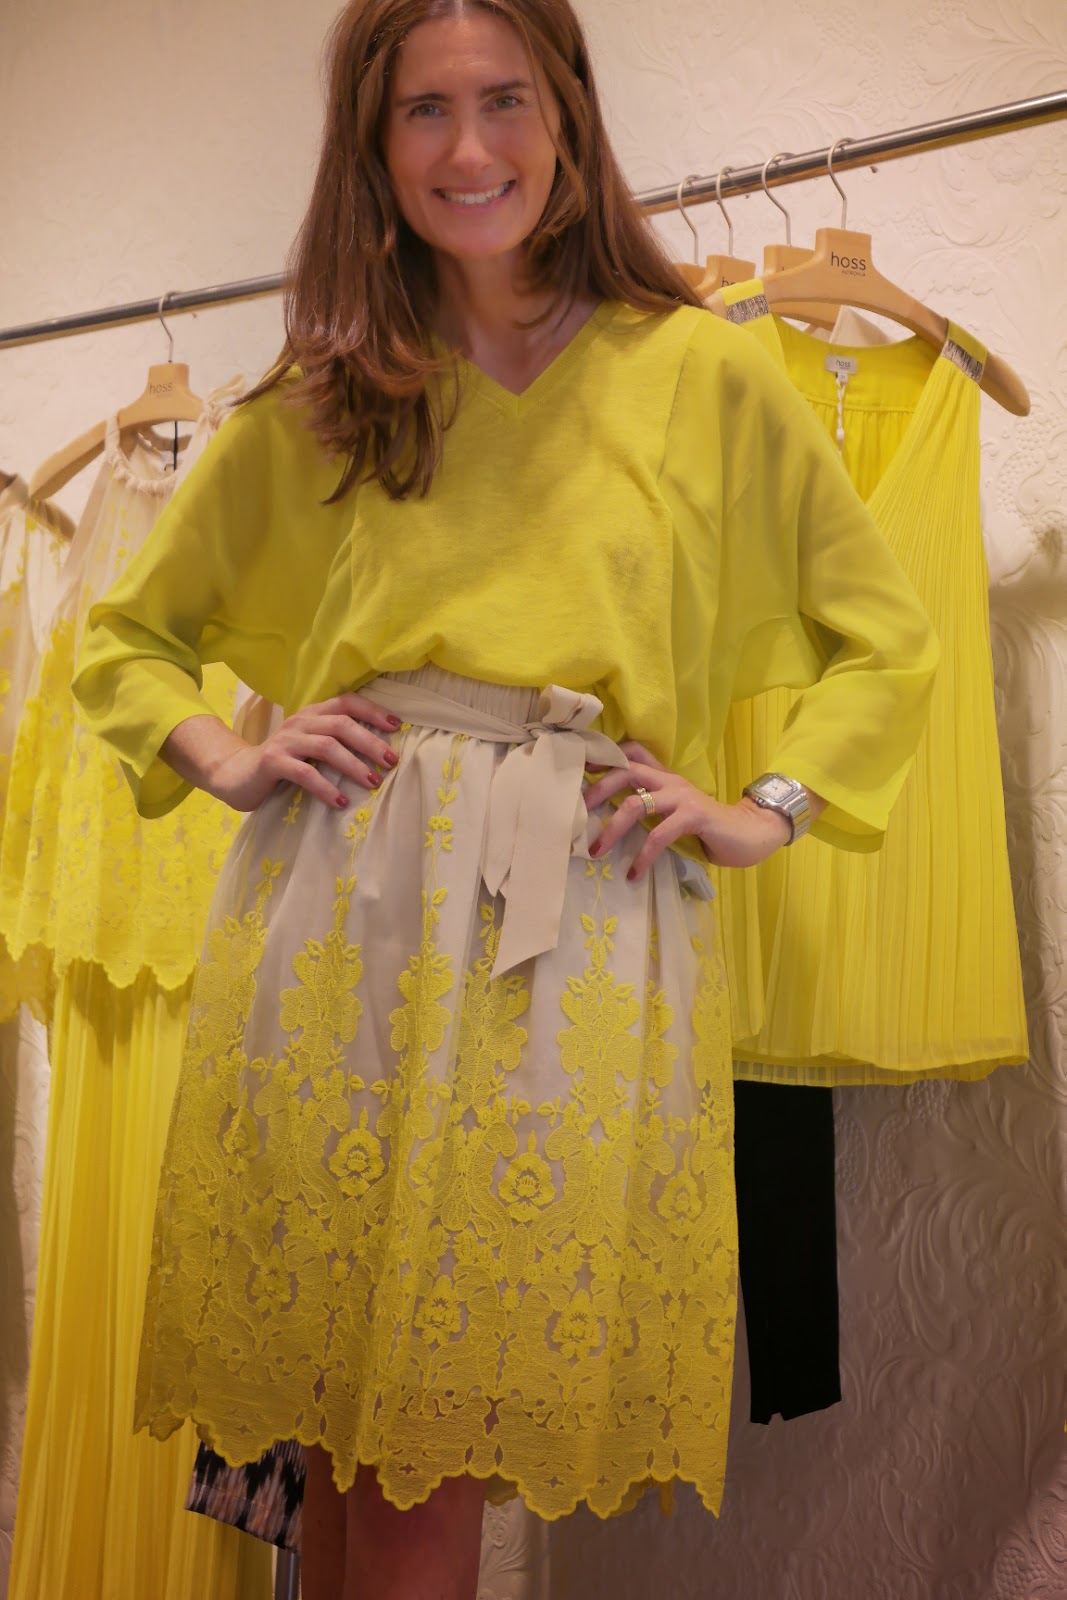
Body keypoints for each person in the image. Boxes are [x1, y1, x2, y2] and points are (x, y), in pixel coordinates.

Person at [72, 1, 938, 1595]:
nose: (470, 149)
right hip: (343, 912)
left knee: (432, 1442)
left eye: (505, 100)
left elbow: (887, 639)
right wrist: (230, 758)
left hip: (573, 929)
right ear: (371, 142)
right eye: (423, 109)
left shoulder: (699, 371)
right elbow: (126, 640)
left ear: (570, 115)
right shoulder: (331, 393)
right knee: (345, 1448)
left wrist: (768, 804)